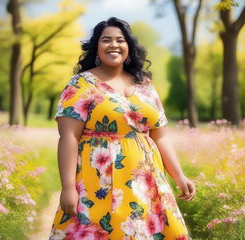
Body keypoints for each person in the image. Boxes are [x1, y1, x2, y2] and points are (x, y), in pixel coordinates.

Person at [49, 17, 196, 240]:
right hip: (97, 181)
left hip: (146, 182)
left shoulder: (145, 84)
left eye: (120, 40)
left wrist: (179, 176)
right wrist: (68, 187)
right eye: (106, 40)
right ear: (96, 47)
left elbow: (160, 136)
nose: (114, 45)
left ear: (129, 46)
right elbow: (68, 137)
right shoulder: (80, 84)